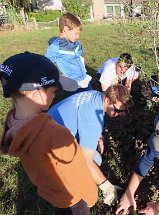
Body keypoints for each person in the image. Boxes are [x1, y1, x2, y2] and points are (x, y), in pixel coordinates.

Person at [0, 52, 98, 214]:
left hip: (51, 193)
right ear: (37, 94)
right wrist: (91, 196)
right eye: (53, 92)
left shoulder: (13, 124)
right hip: (76, 201)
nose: (55, 95)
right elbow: (75, 173)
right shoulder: (55, 135)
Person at [48, 85, 134, 206]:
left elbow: (84, 115)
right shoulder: (93, 122)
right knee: (95, 161)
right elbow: (86, 161)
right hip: (49, 145)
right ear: (108, 100)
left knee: (94, 157)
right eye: (118, 110)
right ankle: (59, 178)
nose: (121, 114)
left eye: (124, 111)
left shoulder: (96, 95)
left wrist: (98, 136)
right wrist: (107, 187)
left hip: (49, 123)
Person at [45, 12, 92, 94]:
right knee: (77, 103)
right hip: (72, 83)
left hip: (84, 78)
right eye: (76, 33)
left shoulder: (75, 44)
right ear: (66, 29)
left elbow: (79, 54)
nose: (78, 37)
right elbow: (46, 63)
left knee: (91, 98)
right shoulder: (55, 47)